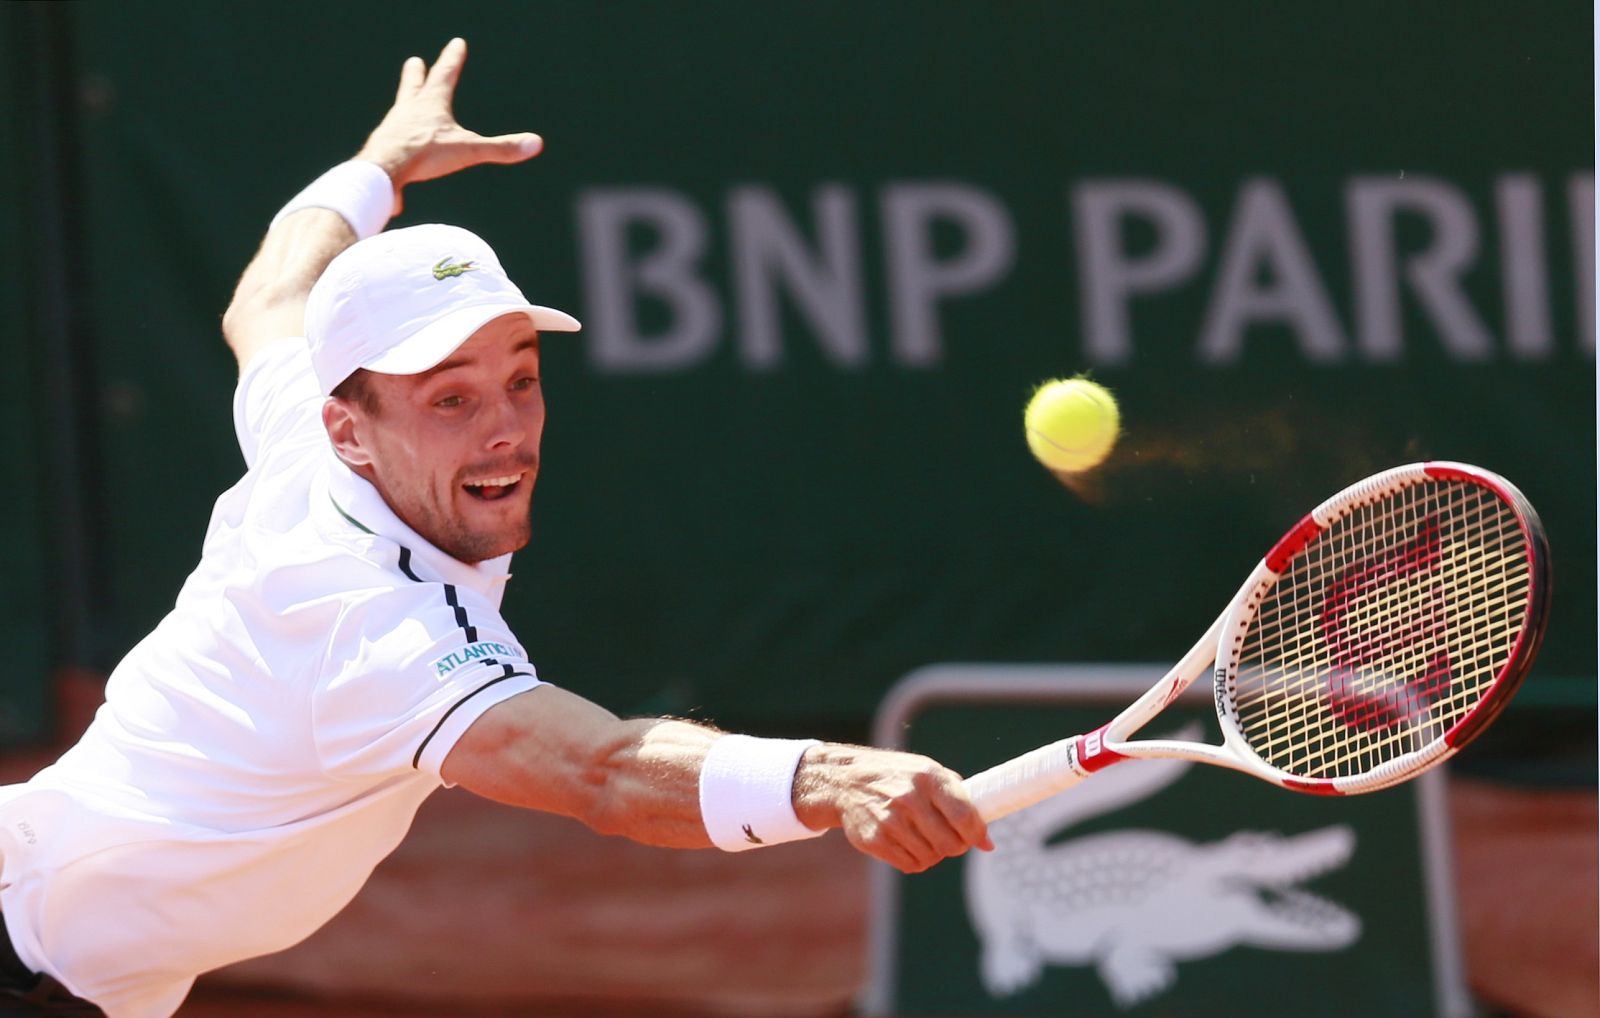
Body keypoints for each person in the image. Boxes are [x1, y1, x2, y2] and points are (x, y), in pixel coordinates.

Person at [0, 39, 990, 1018]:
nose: (504, 428)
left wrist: (379, 166)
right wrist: (833, 776)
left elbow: (269, 293)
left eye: (520, 378)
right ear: (351, 429)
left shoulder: (317, 433)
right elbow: (602, 772)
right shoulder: (373, 622)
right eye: (450, 399)